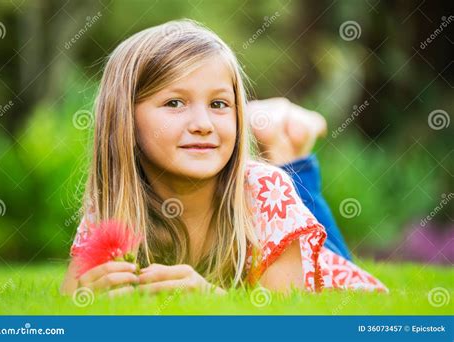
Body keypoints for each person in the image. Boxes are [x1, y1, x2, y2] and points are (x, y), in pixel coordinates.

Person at [61, 19, 387, 297]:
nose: (203, 125)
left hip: (318, 265)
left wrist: (210, 297)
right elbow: (72, 293)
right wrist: (89, 293)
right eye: (175, 103)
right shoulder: (115, 202)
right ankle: (278, 133)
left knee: (295, 189)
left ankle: (290, 145)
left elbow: (290, 310)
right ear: (124, 119)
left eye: (218, 104)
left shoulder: (266, 190)